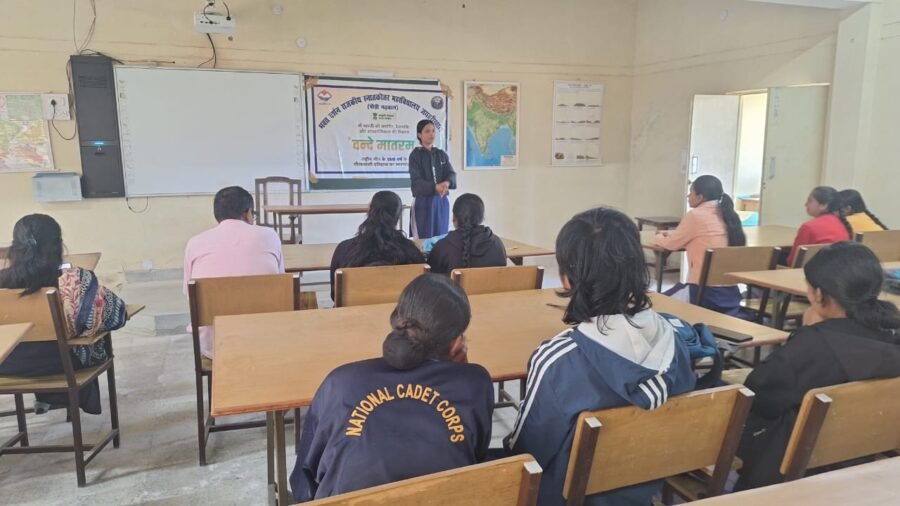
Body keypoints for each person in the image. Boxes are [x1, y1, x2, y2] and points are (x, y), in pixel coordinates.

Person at [506, 208, 697, 506]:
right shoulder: (678, 342)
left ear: (566, 279)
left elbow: (526, 454)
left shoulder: (557, 362)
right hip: (642, 489)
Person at [290, 274, 494, 502]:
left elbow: (304, 478)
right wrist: (462, 374)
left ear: (399, 320)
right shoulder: (476, 383)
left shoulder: (340, 382)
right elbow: (474, 456)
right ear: (457, 344)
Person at [736, 242, 900, 490]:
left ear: (819, 295)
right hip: (862, 460)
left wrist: (805, 335)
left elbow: (756, 393)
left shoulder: (810, 348)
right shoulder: (891, 332)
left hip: (795, 472)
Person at [0, 214, 127, 415]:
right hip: (60, 365)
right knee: (87, 344)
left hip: (6, 364)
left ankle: (48, 401)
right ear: (58, 245)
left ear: (14, 247)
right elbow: (117, 316)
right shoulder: (75, 281)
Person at [183, 186, 284, 358]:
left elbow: (189, 294)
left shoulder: (195, 243)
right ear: (248, 213)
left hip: (215, 347)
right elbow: (281, 286)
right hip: (266, 340)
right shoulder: (269, 236)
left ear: (217, 216)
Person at [654, 175, 747, 315]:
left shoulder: (695, 215)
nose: (688, 196)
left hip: (703, 293)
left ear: (701, 197)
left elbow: (671, 244)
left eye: (691, 192)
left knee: (652, 305)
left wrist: (658, 236)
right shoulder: (729, 214)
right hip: (730, 294)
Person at [329, 191, 425, 300]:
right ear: (398, 216)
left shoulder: (344, 249)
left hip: (357, 310)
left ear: (369, 212)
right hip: (401, 310)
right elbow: (422, 290)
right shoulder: (411, 251)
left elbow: (334, 295)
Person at [427, 193, 507, 275]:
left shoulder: (442, 247)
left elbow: (430, 279)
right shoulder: (497, 244)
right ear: (481, 218)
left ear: (454, 218)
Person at [409, 119, 456, 239]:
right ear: (419, 135)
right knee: (423, 240)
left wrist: (447, 183)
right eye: (427, 131)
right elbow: (416, 181)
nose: (431, 134)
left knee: (441, 238)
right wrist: (435, 187)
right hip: (423, 203)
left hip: (441, 202)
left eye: (433, 131)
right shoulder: (415, 155)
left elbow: (451, 174)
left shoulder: (441, 154)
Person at [786, 186, 852, 266]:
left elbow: (792, 261)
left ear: (823, 205)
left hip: (811, 272)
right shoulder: (842, 225)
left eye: (810, 201)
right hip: (837, 270)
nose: (805, 204)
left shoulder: (808, 227)